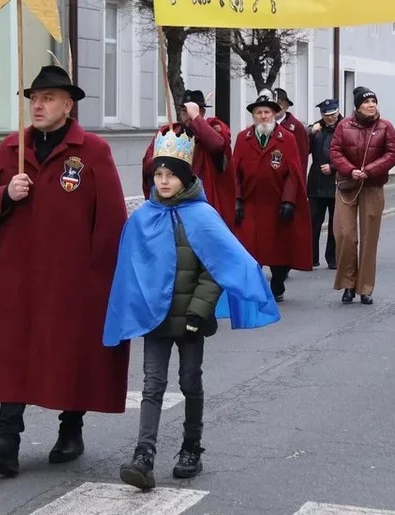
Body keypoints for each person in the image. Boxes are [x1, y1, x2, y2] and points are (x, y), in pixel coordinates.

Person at [0, 64, 130, 477]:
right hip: (19, 276)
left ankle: (71, 429)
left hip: (71, 277)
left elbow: (110, 217)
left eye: (47, 99)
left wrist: (100, 277)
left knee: (71, 351)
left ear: (67, 104)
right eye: (33, 99)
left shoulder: (92, 151)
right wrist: (7, 193)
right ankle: (7, 441)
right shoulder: (12, 148)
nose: (37, 106)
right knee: (13, 351)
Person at [104, 126, 280, 491]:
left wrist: (199, 312)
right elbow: (131, 269)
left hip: (190, 321)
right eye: (158, 175)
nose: (164, 182)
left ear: (184, 179)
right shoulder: (142, 218)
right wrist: (136, 306)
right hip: (155, 318)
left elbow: (217, 267)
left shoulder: (203, 216)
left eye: (170, 175)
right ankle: (144, 454)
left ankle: (191, 448)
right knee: (152, 386)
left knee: (188, 382)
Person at [232, 90, 314, 301]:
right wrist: (237, 199)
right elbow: (235, 174)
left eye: (267, 112)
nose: (263, 116)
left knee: (279, 249)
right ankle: (254, 286)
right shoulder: (243, 138)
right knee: (248, 248)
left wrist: (288, 200)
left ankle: (278, 282)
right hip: (251, 204)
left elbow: (293, 173)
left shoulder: (286, 138)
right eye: (259, 112)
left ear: (275, 114)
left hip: (276, 203)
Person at [329, 87, 395, 304]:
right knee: (344, 235)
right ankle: (347, 284)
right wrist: (350, 169)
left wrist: (370, 169)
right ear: (358, 105)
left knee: (369, 238)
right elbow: (335, 151)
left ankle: (365, 287)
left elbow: (393, 153)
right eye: (367, 102)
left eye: (373, 101)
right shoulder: (344, 125)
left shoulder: (385, 126)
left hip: (372, 185)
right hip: (347, 185)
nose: (371, 105)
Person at [140, 90, 236, 227]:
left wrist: (196, 118)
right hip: (172, 204)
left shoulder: (213, 129)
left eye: (191, 111)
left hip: (203, 203)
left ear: (202, 112)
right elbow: (148, 163)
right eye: (184, 111)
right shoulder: (168, 133)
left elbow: (218, 145)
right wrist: (166, 159)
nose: (187, 116)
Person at [306, 99, 343, 269]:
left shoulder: (345, 128)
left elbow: (350, 153)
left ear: (337, 112)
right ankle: (311, 257)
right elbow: (301, 146)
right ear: (322, 115)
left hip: (338, 182)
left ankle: (333, 258)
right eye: (326, 115)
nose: (330, 118)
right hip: (316, 182)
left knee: (335, 224)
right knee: (313, 222)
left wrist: (334, 167)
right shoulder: (316, 129)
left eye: (333, 114)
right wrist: (309, 133)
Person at [273, 87, 310, 167]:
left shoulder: (297, 127)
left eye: (280, 103)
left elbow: (302, 158)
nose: (276, 107)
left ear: (286, 106)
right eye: (273, 104)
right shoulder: (263, 127)